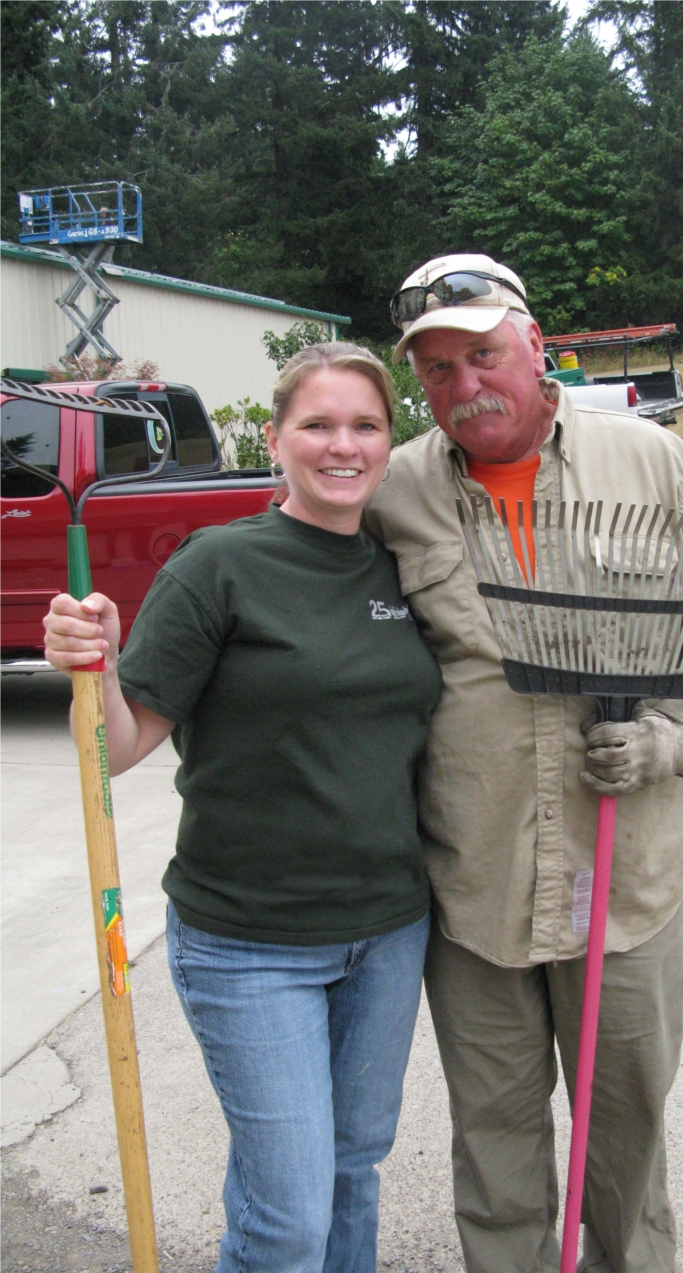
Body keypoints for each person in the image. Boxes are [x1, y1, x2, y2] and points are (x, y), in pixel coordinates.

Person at [363, 254, 683, 1273]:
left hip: (623, 884)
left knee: (623, 1139)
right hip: (475, 882)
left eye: (484, 356)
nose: (465, 387)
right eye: (438, 371)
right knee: (493, 1143)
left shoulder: (653, 466)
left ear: (534, 345)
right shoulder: (398, 490)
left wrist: (676, 735)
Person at [43, 343, 443, 1273]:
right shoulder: (219, 565)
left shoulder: (405, 564)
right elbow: (124, 743)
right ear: (274, 440)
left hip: (388, 930)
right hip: (249, 941)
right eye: (317, 424)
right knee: (288, 1217)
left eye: (365, 426)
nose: (341, 446)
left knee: (352, 1172)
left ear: (390, 442)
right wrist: (92, 668)